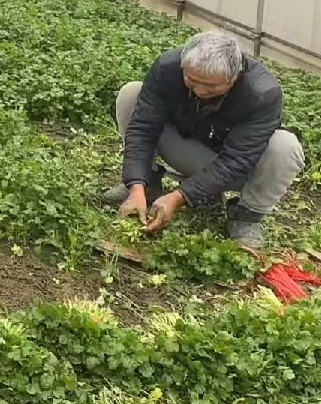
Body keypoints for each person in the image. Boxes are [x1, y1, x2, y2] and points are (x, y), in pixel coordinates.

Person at [105, 30, 304, 249]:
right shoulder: (167, 68)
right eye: (191, 81)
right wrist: (136, 185)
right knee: (132, 94)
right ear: (183, 66)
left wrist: (179, 197)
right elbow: (143, 127)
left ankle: (246, 215)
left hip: (236, 168)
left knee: (285, 146)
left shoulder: (261, 93)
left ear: (234, 77)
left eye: (211, 86)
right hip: (187, 147)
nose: (200, 90)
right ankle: (147, 186)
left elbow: (237, 159)